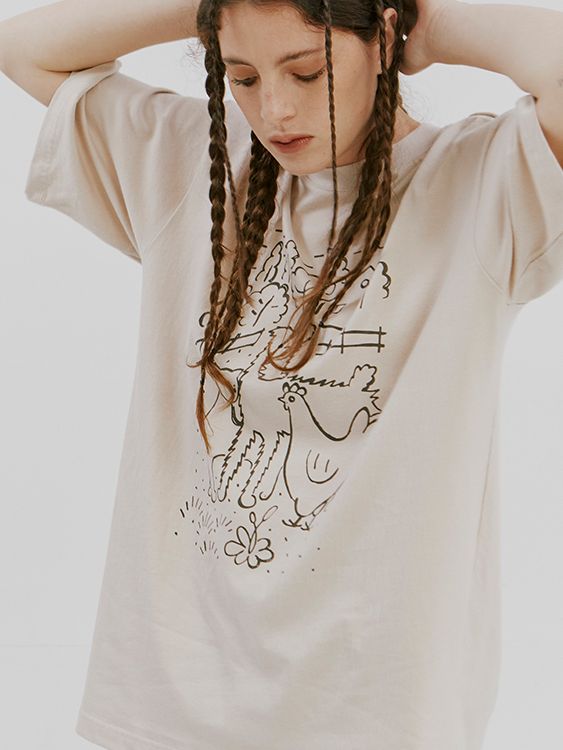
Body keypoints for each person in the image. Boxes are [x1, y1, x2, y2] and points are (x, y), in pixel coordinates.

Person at [2, 0, 563, 748]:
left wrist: (427, 24)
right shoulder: (191, 164)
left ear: (381, 38)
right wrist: (220, 5)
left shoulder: (482, 183)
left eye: (305, 72)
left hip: (372, 712)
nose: (275, 109)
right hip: (173, 702)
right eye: (241, 77)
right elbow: (22, 47)